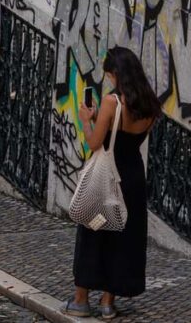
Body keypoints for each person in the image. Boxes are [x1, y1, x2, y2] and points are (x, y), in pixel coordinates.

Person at [65, 47, 161, 320]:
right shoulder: (150, 103)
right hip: (131, 179)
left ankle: (80, 300)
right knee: (121, 238)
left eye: (109, 74)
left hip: (105, 178)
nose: (108, 79)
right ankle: (108, 303)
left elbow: (96, 143)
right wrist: (100, 121)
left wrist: (87, 121)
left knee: (92, 234)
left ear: (116, 74)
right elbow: (126, 136)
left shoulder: (111, 102)